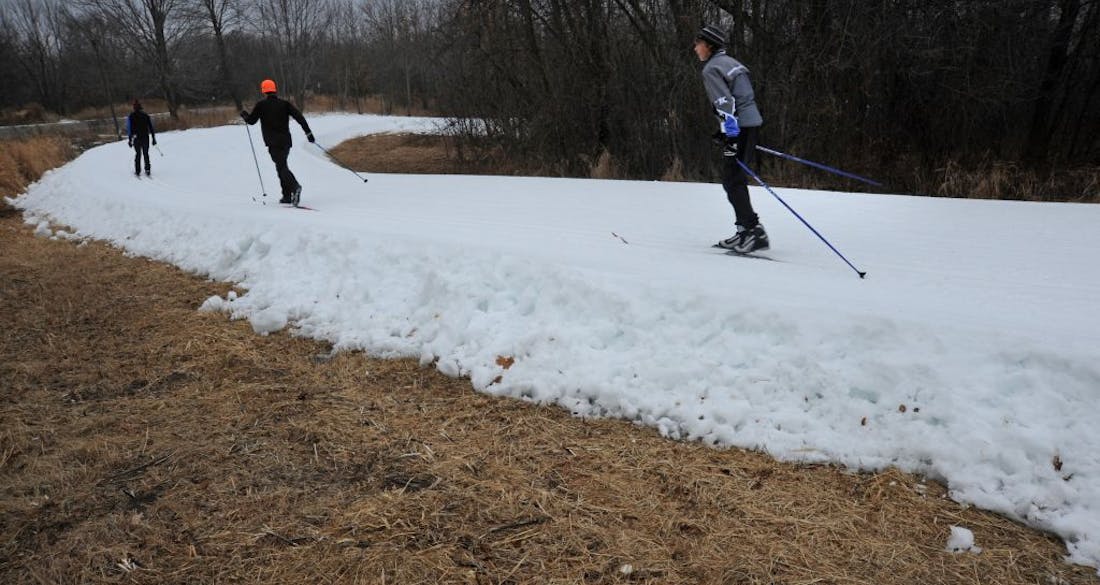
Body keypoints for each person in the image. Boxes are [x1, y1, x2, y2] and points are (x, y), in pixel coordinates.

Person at [694, 24, 769, 254]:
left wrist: (731, 134)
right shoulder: (732, 63)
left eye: (698, 43)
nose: (695, 47)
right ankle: (744, 231)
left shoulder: (711, 69)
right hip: (749, 123)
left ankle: (754, 231)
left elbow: (725, 103)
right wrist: (726, 131)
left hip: (739, 127)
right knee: (734, 177)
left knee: (732, 179)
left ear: (708, 45)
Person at [240, 79, 315, 205]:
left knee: (281, 166)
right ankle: (286, 196)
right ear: (275, 90)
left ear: (264, 91)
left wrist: (245, 115)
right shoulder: (284, 104)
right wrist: (308, 133)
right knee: (281, 165)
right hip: (285, 142)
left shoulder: (261, 105)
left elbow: (252, 121)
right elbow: (299, 117)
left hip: (273, 143)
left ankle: (295, 186)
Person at [126, 100, 156, 177]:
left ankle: (138, 170)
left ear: (134, 108)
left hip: (136, 138)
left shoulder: (131, 116)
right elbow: (151, 128)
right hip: (145, 137)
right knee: (146, 154)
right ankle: (147, 169)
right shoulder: (146, 116)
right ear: (140, 108)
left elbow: (129, 129)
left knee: (138, 154)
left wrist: (130, 140)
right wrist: (153, 138)